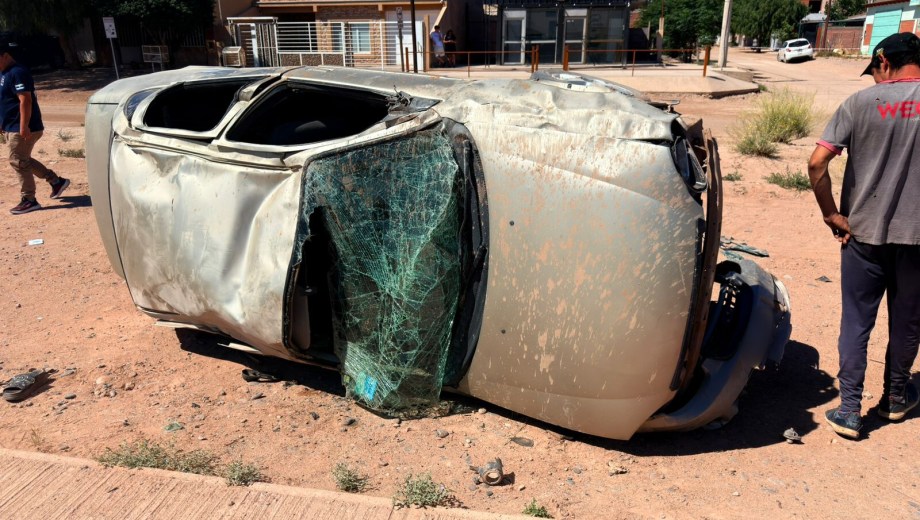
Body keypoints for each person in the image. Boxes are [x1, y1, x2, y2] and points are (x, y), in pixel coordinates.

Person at [807, 32, 920, 440]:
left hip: (862, 236)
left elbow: (817, 164)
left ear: (884, 61)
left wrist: (832, 215)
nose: (874, 79)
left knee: (857, 320)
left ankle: (850, 411)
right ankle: (895, 398)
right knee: (908, 321)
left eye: (874, 70)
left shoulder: (858, 104)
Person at [0, 41, 69, 215]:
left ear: (5, 55)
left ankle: (29, 200)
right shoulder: (4, 73)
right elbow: (6, 101)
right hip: (12, 125)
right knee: (23, 159)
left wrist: (23, 126)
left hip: (23, 126)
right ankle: (56, 181)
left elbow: (26, 100)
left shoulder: (18, 72)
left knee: (17, 160)